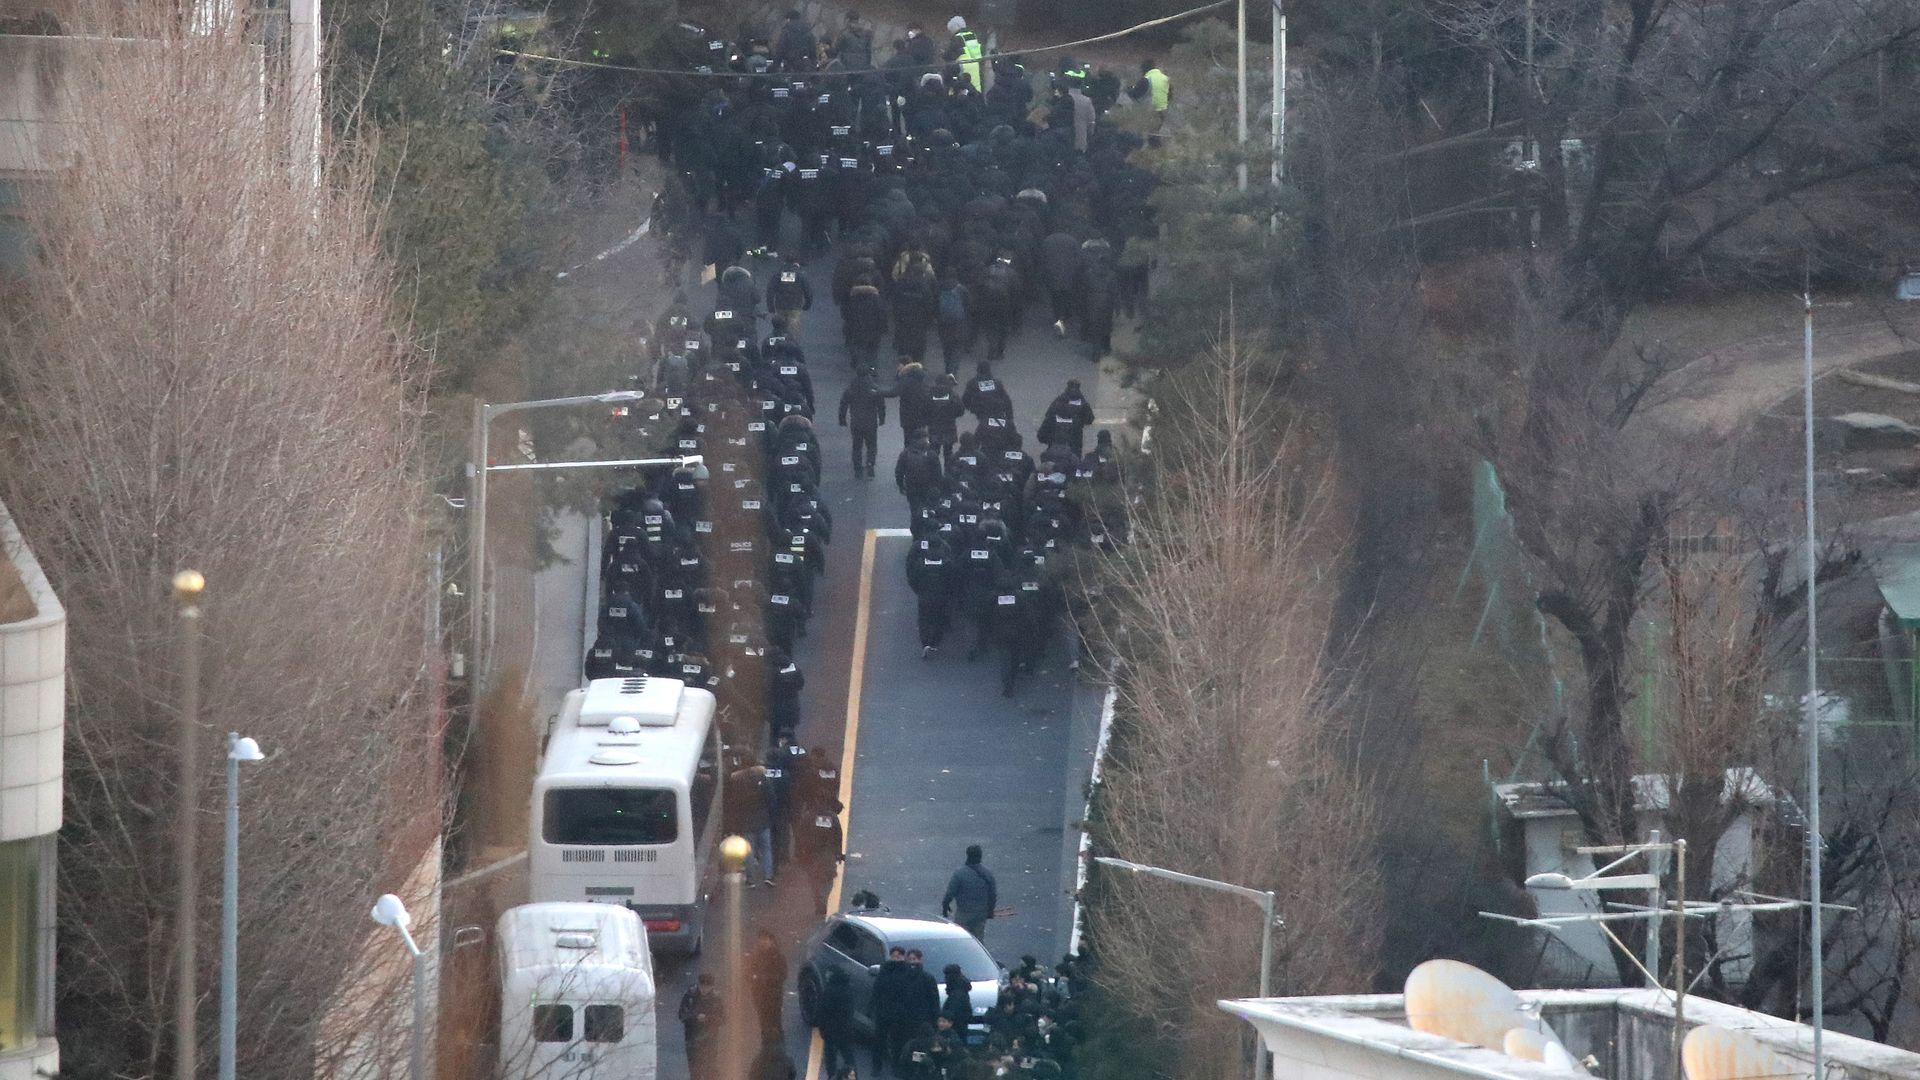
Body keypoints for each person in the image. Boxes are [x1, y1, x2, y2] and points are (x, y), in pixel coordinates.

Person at [870, 946, 918, 1076]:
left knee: (898, 1042)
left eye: (899, 956)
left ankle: (896, 1067)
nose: (896, 959)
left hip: (899, 1014)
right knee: (879, 1041)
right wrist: (873, 1007)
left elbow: (909, 994)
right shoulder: (885, 969)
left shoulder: (907, 972)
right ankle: (876, 1067)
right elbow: (877, 989)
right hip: (883, 1012)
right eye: (894, 956)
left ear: (903, 957)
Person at [941, 844, 998, 940]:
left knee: (961, 937)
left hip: (964, 912)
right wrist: (990, 910)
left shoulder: (960, 873)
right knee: (978, 939)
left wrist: (945, 905)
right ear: (980, 856)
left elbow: (951, 892)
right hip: (981, 913)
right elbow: (993, 894)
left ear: (968, 855)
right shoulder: (988, 873)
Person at [839, 367, 887, 478]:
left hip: (856, 422)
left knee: (857, 446)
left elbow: (843, 405)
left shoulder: (851, 388)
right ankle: (870, 464)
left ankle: (857, 469)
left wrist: (842, 419)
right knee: (871, 445)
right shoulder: (874, 388)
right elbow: (881, 405)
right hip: (871, 422)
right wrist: (882, 418)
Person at [817, 967, 860, 1078]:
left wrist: (822, 1029)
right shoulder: (849, 989)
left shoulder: (829, 990)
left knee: (831, 1058)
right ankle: (853, 1076)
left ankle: (832, 1077)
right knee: (848, 1056)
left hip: (831, 1030)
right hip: (846, 1029)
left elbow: (823, 1011)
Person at [678, 973, 724, 1077]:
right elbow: (682, 1014)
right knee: (695, 1070)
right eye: (702, 986)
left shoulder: (716, 999)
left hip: (710, 1039)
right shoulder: (690, 995)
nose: (704, 989)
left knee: (710, 1068)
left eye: (708, 987)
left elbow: (722, 1019)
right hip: (692, 1038)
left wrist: (708, 1019)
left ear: (712, 987)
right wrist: (695, 1018)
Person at [747, 928, 788, 1042]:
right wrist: (753, 979)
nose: (763, 942)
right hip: (759, 997)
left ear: (771, 941)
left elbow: (783, 975)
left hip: (774, 996)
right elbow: (748, 973)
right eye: (761, 940)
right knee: (763, 1024)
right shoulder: (755, 956)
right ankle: (766, 1047)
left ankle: (778, 1048)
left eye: (765, 940)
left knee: (775, 1023)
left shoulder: (778, 956)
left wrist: (767, 978)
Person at [1037, 379, 1096, 455]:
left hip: (1054, 451)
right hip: (1073, 450)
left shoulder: (1055, 409)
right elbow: (1089, 420)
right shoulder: (1082, 407)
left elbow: (1042, 435)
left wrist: (1050, 440)